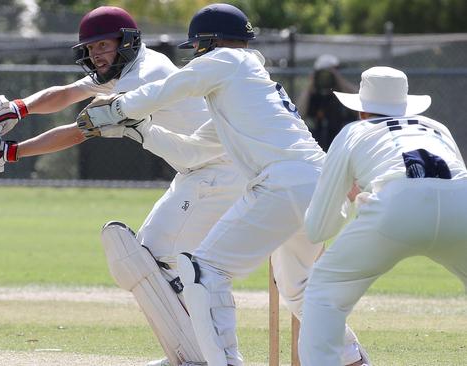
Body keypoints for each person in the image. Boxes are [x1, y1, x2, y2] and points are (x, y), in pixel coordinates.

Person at [77, 3, 370, 366]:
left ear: (207, 44)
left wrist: (119, 107)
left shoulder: (231, 61)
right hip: (319, 188)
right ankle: (354, 361)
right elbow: (193, 153)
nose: (195, 57)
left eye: (197, 50)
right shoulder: (244, 92)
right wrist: (140, 130)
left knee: (204, 270)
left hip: (286, 183)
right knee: (301, 292)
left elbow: (174, 86)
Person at [0, 6, 248, 366]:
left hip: (218, 172)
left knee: (154, 259)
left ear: (126, 42)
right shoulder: (125, 68)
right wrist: (19, 108)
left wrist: (13, 152)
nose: (96, 54)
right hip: (201, 171)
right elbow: (67, 93)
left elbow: (80, 131)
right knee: (158, 261)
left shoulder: (142, 76)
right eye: (90, 48)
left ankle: (209, 355)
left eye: (103, 45)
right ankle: (201, 352)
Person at [300, 66, 467, 365]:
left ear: (362, 111)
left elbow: (317, 229)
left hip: (396, 206)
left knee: (323, 294)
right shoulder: (436, 127)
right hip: (462, 203)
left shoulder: (353, 131)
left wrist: (352, 202)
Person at [296, 54, 357, 151]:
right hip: (316, 148)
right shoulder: (312, 95)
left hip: (340, 147)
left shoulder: (343, 95)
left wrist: (339, 80)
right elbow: (298, 115)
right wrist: (310, 85)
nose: (326, 77)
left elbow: (358, 106)